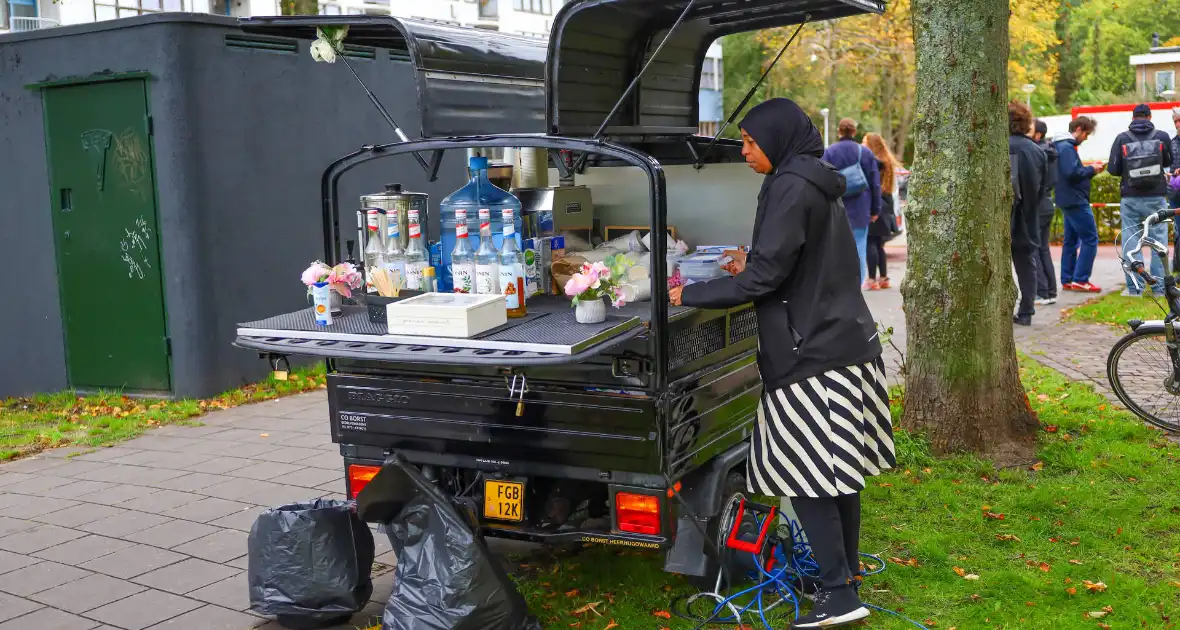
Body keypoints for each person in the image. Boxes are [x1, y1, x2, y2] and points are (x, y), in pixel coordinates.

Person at [668, 98, 894, 629]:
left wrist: (688, 293)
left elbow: (763, 280)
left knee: (810, 475)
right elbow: (793, 261)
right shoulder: (809, 179)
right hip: (841, 343)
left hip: (811, 352)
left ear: (775, 137)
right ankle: (844, 577)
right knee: (840, 473)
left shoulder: (792, 186)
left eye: (749, 140)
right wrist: (754, 261)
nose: (743, 150)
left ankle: (839, 597)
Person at [1108, 104, 1174, 295]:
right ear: (1149, 116)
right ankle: (1160, 288)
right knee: (1158, 241)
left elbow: (1113, 170)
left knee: (1130, 241)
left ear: (1133, 117)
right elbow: (1168, 162)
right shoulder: (1161, 136)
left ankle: (1135, 288)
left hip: (1130, 197)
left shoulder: (1122, 138)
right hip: (1157, 196)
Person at [822, 118, 881, 286]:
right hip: (861, 209)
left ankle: (839, 287)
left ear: (839, 131)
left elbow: (823, 181)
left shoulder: (830, 152)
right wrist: (875, 209)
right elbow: (875, 183)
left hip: (837, 209)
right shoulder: (865, 153)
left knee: (837, 250)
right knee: (859, 249)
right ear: (854, 132)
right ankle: (856, 288)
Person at [1055, 116, 1105, 293]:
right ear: (1078, 129)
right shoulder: (1067, 148)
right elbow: (1072, 173)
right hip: (1076, 200)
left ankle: (1067, 278)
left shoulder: (1060, 146)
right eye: (1086, 134)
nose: (1086, 138)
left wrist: (1089, 170)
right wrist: (1092, 169)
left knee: (1071, 240)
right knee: (1090, 238)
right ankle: (1081, 279)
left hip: (1066, 199)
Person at [1009, 101, 1047, 326]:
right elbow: (1042, 189)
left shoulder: (996, 147)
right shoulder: (1037, 152)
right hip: (1027, 217)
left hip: (1000, 219)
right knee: (1026, 266)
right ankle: (1026, 310)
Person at [862, 133, 899, 290]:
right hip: (887, 204)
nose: (862, 145)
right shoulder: (887, 161)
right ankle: (884, 278)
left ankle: (871, 279)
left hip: (877, 204)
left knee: (870, 242)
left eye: (864, 143)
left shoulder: (876, 162)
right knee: (879, 245)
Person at [1031, 120, 1059, 305]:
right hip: (1048, 202)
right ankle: (1050, 290)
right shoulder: (1051, 152)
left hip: (1038, 204)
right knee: (1043, 248)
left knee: (1033, 249)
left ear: (1038, 134)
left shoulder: (1035, 152)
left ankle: (1040, 291)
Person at [1170, 107, 1180, 272]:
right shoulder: (1171, 142)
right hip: (1176, 191)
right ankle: (1178, 265)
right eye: (1175, 121)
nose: (1178, 124)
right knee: (1178, 229)